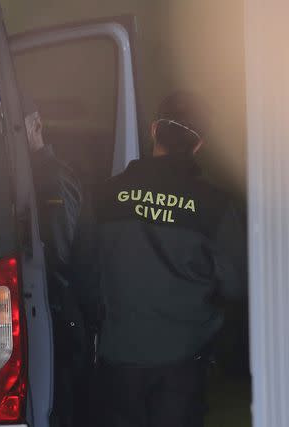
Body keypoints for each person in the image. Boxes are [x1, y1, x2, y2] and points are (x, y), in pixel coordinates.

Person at [93, 92, 247, 427]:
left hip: (119, 355)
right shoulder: (215, 205)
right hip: (183, 360)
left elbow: (82, 274)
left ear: (153, 130)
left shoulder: (105, 195)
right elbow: (235, 286)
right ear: (199, 144)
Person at [22, 96, 97, 427]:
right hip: (51, 309)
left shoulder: (51, 178)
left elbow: (59, 255)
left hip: (61, 310)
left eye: (17, 125)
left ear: (36, 124)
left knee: (63, 405)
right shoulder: (30, 175)